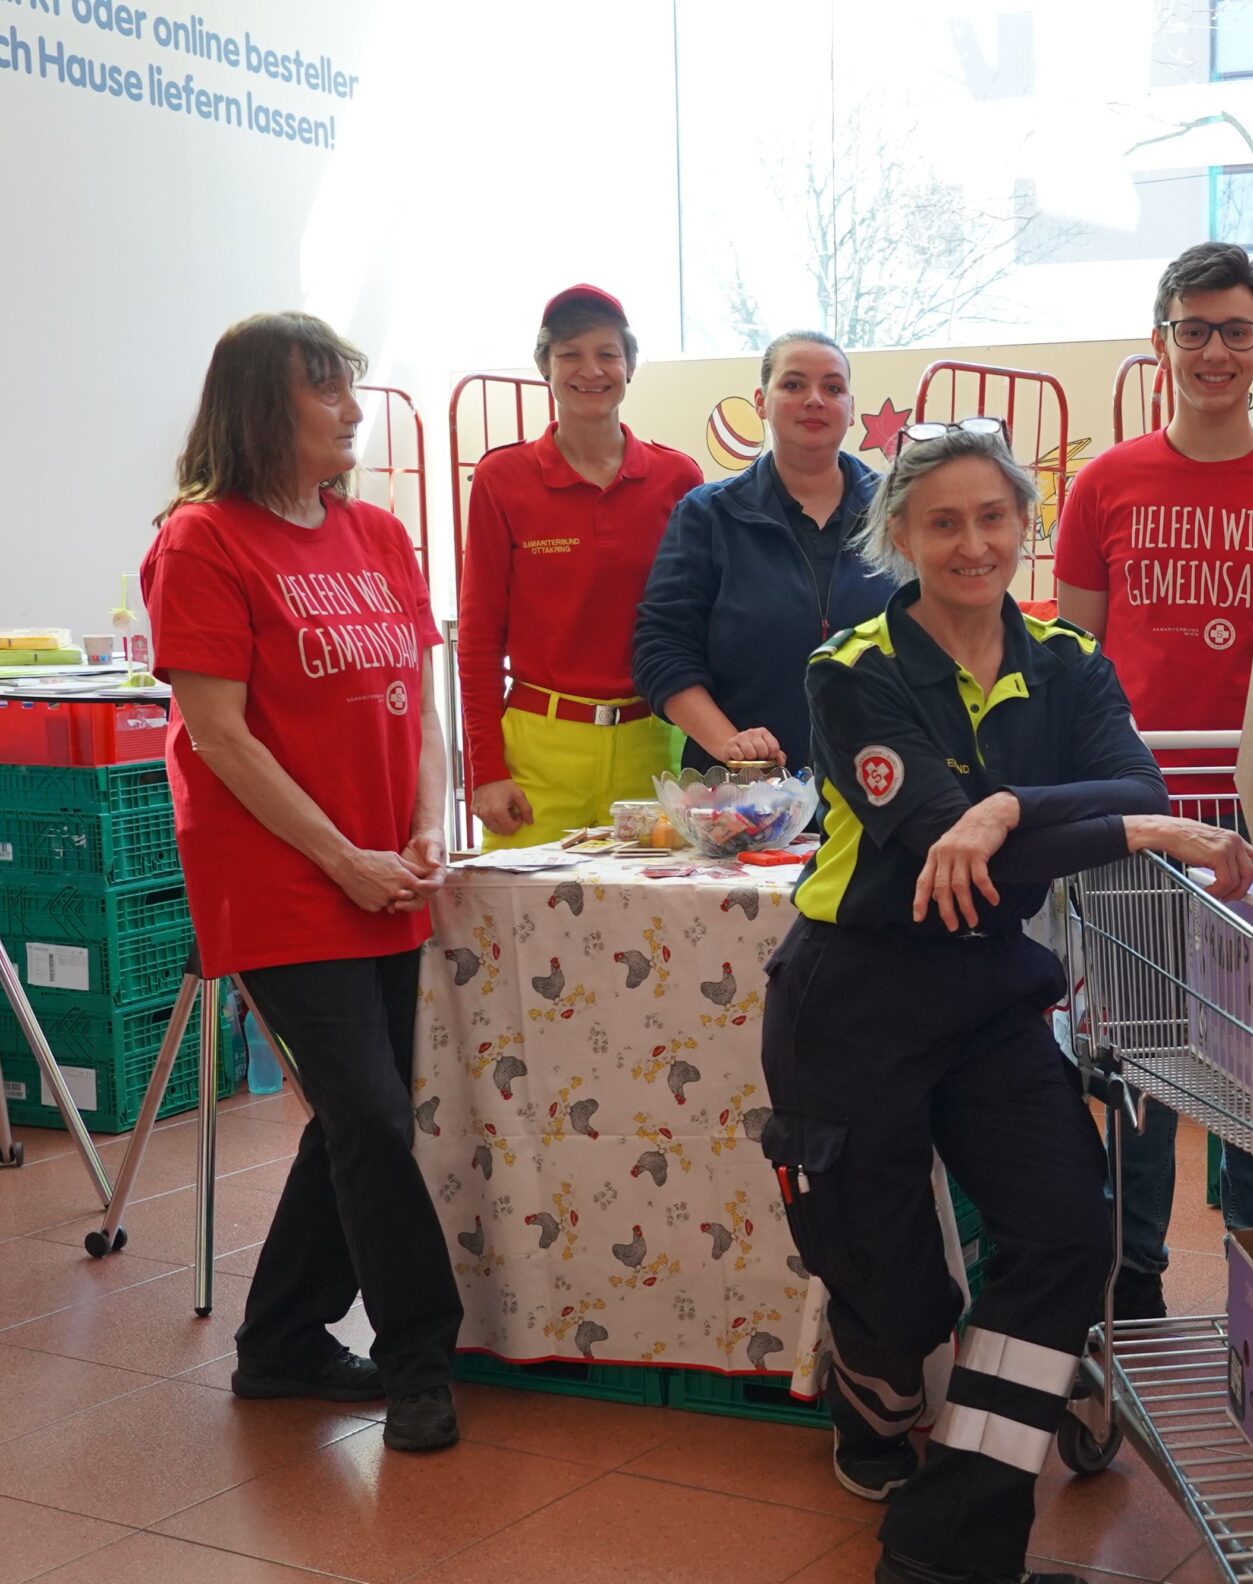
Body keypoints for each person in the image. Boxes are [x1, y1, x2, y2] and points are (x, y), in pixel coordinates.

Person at [762, 425, 1253, 1584]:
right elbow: (957, 841)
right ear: (901, 535)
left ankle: (950, 1551)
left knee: (1065, 1237)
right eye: (942, 522)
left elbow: (1129, 783)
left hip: (989, 996)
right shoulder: (851, 669)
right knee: (901, 1303)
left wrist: (1007, 805)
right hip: (852, 1000)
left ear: (1025, 527)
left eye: (993, 517)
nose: (972, 543)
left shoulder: (1067, 659)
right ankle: (873, 1388)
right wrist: (1075, 823)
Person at [139, 312, 466, 1453]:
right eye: (324, 388)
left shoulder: (376, 533)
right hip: (283, 880)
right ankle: (422, 1357)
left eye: (349, 387)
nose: (351, 409)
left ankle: (279, 1340)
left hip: (385, 868)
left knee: (353, 1117)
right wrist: (342, 858)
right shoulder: (201, 541)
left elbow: (418, 705)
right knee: (371, 1118)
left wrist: (424, 826)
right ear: (257, 407)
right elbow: (219, 736)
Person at [1052, 241, 1253, 1320]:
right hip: (1135, 812)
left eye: (1235, 331)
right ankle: (1136, 1274)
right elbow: (1074, 659)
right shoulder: (1104, 484)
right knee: (1143, 1054)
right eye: (1193, 330)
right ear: (1161, 341)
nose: (1214, 351)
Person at [458, 285, 701, 846]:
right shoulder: (501, 480)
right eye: (570, 354)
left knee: (659, 903)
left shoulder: (678, 479)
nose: (590, 370)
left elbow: (700, 623)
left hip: (652, 745)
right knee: (522, 906)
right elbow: (478, 638)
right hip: (537, 754)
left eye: (607, 354)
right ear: (544, 365)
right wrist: (486, 770)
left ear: (630, 365)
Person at [632, 329, 898, 772]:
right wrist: (732, 746)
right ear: (761, 401)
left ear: (851, 409)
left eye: (833, 388)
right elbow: (661, 650)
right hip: (744, 791)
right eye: (793, 384)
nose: (814, 400)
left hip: (882, 784)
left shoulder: (900, 513)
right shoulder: (708, 515)